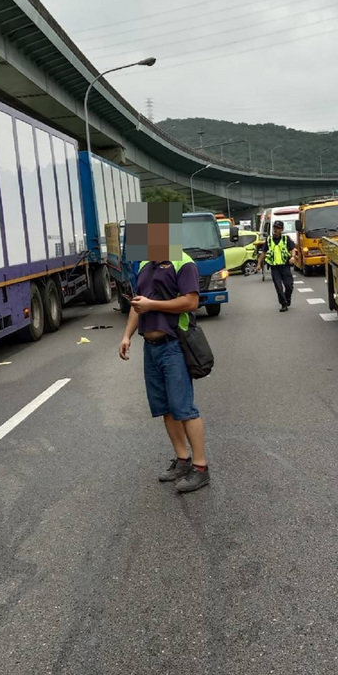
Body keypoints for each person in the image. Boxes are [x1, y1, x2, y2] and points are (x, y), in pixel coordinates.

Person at [118, 202, 209, 493]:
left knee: (184, 409)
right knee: (166, 409)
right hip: (151, 347)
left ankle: (200, 467)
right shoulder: (145, 265)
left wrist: (152, 304)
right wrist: (127, 336)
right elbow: (138, 305)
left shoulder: (183, 262)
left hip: (174, 345)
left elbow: (191, 302)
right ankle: (182, 460)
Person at [256, 220, 296, 311]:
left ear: (281, 229)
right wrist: (259, 264)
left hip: (285, 266)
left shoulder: (286, 239)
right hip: (274, 268)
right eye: (274, 228)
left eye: (278, 228)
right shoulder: (269, 240)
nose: (275, 230)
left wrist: (293, 257)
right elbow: (264, 253)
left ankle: (287, 299)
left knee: (289, 286)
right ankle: (283, 304)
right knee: (278, 287)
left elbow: (293, 249)